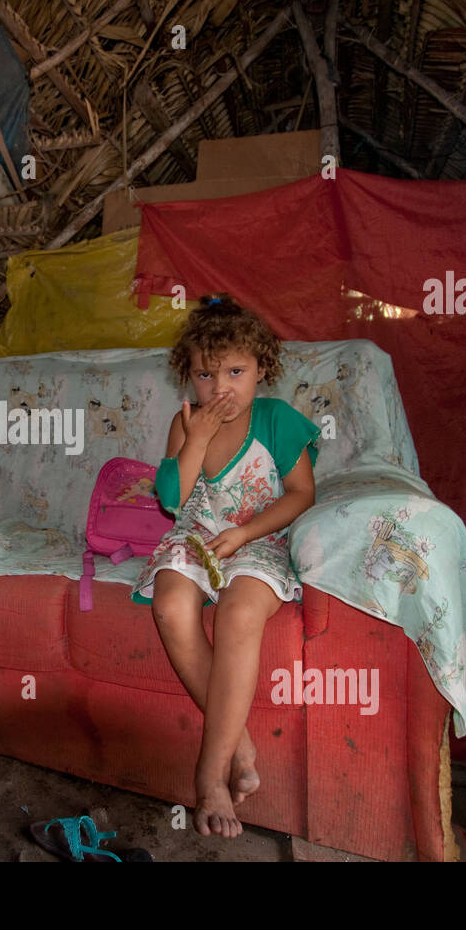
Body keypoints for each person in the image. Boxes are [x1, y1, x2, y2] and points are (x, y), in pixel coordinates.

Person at [131, 295, 319, 838]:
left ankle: (209, 775)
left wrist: (247, 532)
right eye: (206, 374)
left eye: (236, 371)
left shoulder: (277, 419)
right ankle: (237, 742)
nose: (221, 388)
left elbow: (302, 493)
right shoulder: (187, 421)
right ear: (189, 378)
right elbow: (172, 497)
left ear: (262, 369)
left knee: (238, 614)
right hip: (197, 535)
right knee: (169, 604)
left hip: (258, 538)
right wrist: (198, 439)